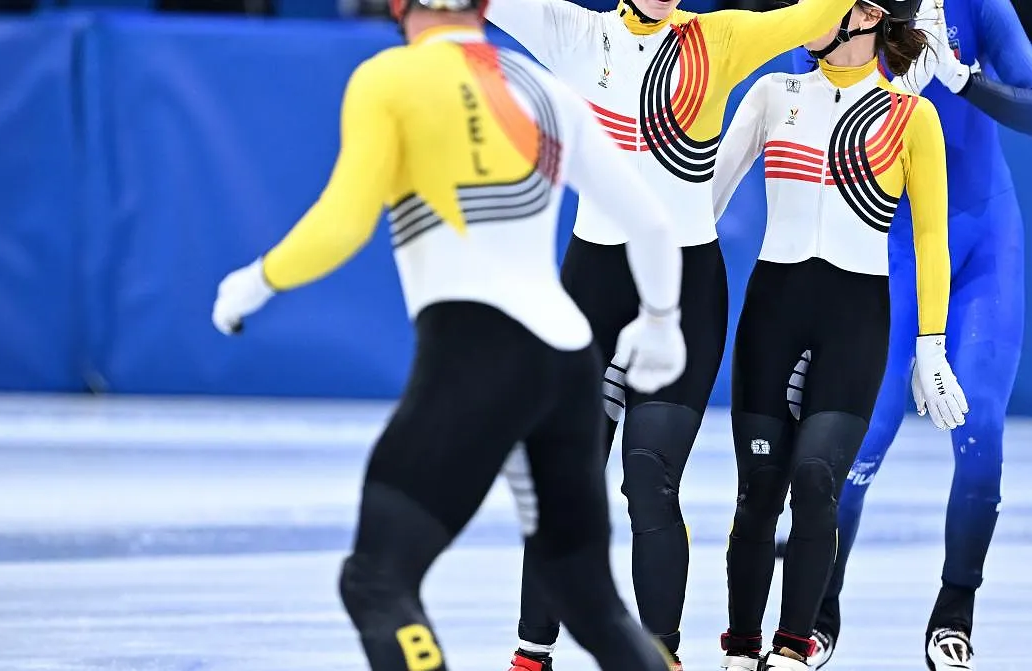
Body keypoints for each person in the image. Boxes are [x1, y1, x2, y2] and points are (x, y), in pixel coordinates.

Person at [208, 0, 692, 668]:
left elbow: (344, 221)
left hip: (478, 351)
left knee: (377, 578)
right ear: (486, 5)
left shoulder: (391, 78)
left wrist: (257, 281)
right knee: (590, 602)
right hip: (568, 361)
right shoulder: (546, 89)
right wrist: (662, 321)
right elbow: (653, 224)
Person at [481, 0, 865, 666]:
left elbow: (819, 10)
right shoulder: (575, 33)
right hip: (593, 286)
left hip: (686, 290)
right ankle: (529, 652)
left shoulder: (718, 38)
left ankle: (659, 654)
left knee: (649, 475)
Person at [781, 0, 1032, 667]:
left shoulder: (978, 7)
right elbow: (801, 144)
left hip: (980, 241)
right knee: (859, 435)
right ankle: (821, 606)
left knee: (981, 425)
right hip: (890, 247)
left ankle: (955, 609)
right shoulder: (828, 14)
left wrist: (965, 81)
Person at [708, 0, 968, 668]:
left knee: (818, 479)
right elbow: (703, 198)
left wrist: (932, 346)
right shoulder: (772, 94)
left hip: (854, 320)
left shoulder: (913, 116)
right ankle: (740, 651)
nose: (801, 14)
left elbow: (932, 237)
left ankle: (793, 650)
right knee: (759, 485)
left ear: (867, 14)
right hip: (773, 313)